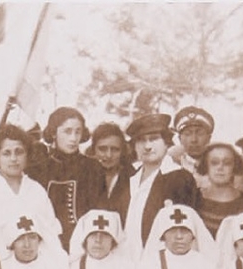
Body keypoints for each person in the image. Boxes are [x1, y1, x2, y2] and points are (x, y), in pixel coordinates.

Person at [0, 125, 60, 259]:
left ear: (27, 155)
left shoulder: (36, 190)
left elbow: (51, 233)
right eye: (6, 153)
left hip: (35, 266)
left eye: (19, 152)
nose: (13, 159)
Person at [120, 113, 197, 259]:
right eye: (141, 140)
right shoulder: (129, 177)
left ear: (166, 143)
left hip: (160, 262)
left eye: (154, 139)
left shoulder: (179, 178)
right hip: (127, 263)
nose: (147, 146)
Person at [27, 107, 103, 247]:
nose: (73, 138)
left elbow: (97, 210)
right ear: (54, 133)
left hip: (82, 242)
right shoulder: (37, 170)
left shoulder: (93, 168)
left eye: (77, 132)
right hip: (46, 243)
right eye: (67, 131)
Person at [193, 143, 243, 237]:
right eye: (214, 163)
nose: (220, 167)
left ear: (234, 167)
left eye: (227, 163)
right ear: (206, 166)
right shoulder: (194, 199)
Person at [87, 122, 133, 218]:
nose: (108, 155)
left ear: (122, 151)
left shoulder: (132, 178)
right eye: (102, 149)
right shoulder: (84, 177)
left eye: (115, 149)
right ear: (93, 149)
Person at [169, 106, 215, 188]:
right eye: (187, 134)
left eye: (199, 133)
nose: (194, 140)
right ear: (180, 139)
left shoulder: (219, 168)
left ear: (209, 138)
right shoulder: (170, 167)